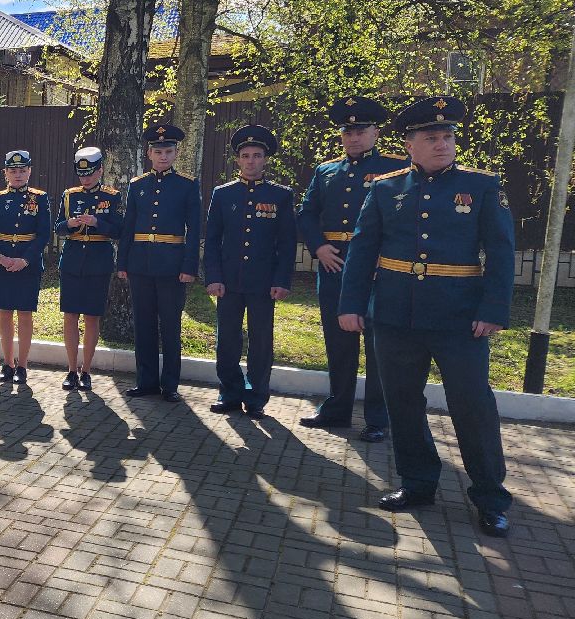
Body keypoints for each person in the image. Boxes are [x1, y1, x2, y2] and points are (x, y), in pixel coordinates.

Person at [338, 96, 515, 538]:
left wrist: (493, 309)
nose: (442, 144)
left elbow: (501, 253)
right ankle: (418, 482)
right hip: (396, 316)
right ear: (409, 144)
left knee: (472, 406)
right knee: (402, 403)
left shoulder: (482, 186)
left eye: (448, 136)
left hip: (460, 319)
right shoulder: (385, 188)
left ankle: (491, 496)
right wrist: (351, 304)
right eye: (431, 137)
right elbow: (362, 250)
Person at [296, 96, 405, 440]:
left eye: (361, 130)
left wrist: (383, 256)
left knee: (377, 345)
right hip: (333, 265)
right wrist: (319, 247)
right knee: (339, 342)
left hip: (376, 268)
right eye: (348, 131)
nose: (354, 137)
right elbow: (306, 213)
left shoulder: (396, 168)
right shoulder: (326, 171)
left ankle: (377, 418)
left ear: (375, 132)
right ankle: (337, 409)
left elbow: (403, 220)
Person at [204, 125, 297, 419]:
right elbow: (213, 240)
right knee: (227, 339)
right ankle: (229, 392)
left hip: (262, 283)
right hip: (229, 282)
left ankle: (256, 397)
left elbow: (287, 243)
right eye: (246, 156)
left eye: (257, 156)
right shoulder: (223, 194)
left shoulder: (281, 196)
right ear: (238, 160)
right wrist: (214, 276)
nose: (251, 161)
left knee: (260, 341)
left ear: (265, 159)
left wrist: (282, 280)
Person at [117, 122, 201, 402]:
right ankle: (146, 381)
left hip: (172, 267)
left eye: (168, 151)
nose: (163, 156)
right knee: (144, 325)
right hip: (140, 265)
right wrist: (122, 263)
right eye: (157, 151)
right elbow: (128, 227)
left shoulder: (187, 186)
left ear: (176, 153)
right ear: (148, 153)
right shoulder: (137, 186)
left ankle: (170, 385)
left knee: (170, 326)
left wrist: (190, 267)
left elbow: (195, 229)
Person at [54, 146, 123, 391]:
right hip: (73, 260)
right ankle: (71, 370)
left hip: (98, 261)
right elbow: (58, 228)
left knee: (92, 317)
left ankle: (86, 371)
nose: (85, 179)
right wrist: (69, 224)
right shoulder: (69, 195)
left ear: (100, 169)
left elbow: (118, 231)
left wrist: (97, 222)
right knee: (70, 316)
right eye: (81, 174)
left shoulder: (112, 196)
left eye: (90, 174)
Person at [0, 150, 51, 385]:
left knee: (24, 314)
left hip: (27, 264)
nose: (18, 175)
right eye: (13, 171)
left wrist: (25, 260)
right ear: (5, 173)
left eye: (23, 170)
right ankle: (7, 363)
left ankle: (22, 365)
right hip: (2, 263)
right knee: (4, 313)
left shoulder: (39, 198)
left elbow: (43, 235)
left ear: (30, 171)